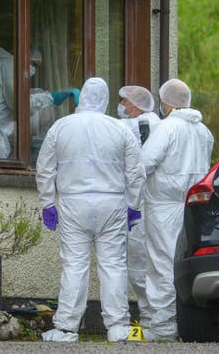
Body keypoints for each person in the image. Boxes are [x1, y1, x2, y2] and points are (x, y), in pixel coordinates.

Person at [36, 77, 146, 343]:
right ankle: (118, 326)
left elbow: (45, 168)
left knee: (74, 265)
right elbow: (136, 172)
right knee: (114, 265)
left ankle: (66, 328)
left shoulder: (61, 127)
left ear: (82, 96)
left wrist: (48, 202)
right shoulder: (120, 129)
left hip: (74, 203)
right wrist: (134, 205)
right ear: (105, 99)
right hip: (112, 203)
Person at [140, 78, 213, 341]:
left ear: (166, 103)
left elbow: (145, 163)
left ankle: (163, 329)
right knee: (183, 264)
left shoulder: (167, 128)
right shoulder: (203, 131)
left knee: (161, 264)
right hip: (191, 206)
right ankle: (184, 324)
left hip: (162, 206)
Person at [117, 85, 161, 330]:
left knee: (138, 264)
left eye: (124, 101)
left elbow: (138, 167)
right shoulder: (161, 126)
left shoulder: (135, 126)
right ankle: (154, 320)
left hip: (139, 204)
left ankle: (150, 320)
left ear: (134, 106)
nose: (121, 106)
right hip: (155, 205)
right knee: (153, 264)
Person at [0, 46, 79, 159]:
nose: (34, 69)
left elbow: (18, 96)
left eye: (37, 66)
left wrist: (42, 95)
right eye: (33, 64)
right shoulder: (10, 64)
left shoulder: (2, 64)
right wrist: (50, 97)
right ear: (25, 55)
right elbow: (20, 104)